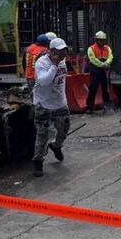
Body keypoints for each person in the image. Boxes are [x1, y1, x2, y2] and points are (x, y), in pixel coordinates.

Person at [32, 37, 70, 177]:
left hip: (60, 104)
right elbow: (44, 81)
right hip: (44, 105)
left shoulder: (63, 62)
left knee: (63, 130)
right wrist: (54, 65)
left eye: (64, 50)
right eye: (60, 51)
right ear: (52, 51)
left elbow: (62, 80)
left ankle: (56, 146)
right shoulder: (42, 63)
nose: (63, 53)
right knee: (42, 135)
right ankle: (38, 161)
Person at [85, 30, 114, 114]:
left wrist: (107, 63)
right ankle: (90, 107)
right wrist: (102, 64)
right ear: (96, 40)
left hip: (105, 72)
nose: (102, 42)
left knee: (106, 90)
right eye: (100, 40)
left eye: (103, 40)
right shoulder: (91, 48)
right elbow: (92, 59)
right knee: (92, 89)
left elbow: (110, 56)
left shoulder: (107, 48)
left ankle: (106, 106)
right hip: (95, 72)